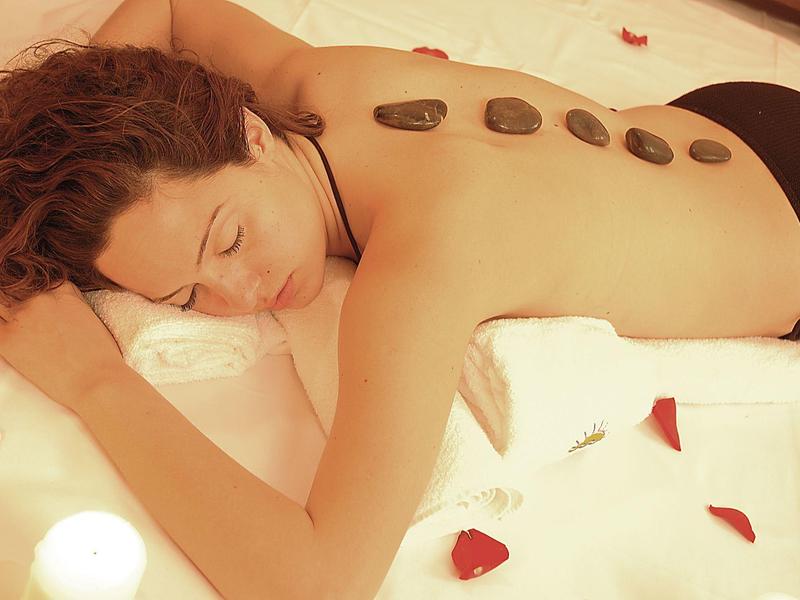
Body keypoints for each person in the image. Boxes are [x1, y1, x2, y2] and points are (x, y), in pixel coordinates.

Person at [0, 0, 799, 597]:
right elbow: (171, 8)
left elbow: (320, 579)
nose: (241, 295)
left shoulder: (425, 263)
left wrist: (92, 379)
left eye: (231, 240)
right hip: (737, 117)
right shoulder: (309, 83)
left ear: (248, 135)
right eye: (184, 295)